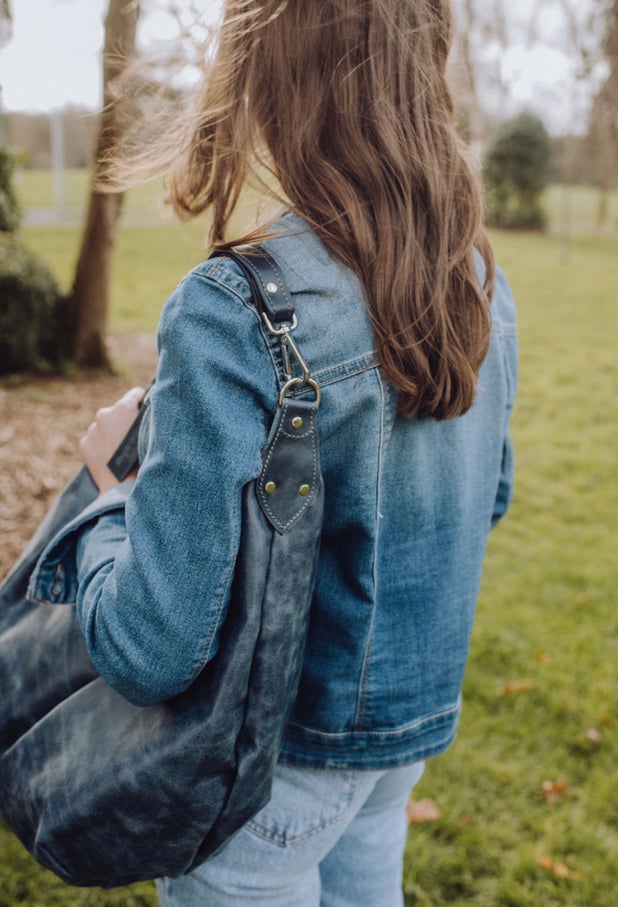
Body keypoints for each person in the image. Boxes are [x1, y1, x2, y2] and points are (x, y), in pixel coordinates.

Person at [76, 1, 517, 904]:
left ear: (268, 73)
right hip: (400, 746)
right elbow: (492, 493)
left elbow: (153, 646)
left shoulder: (234, 307)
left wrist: (107, 500)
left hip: (268, 769)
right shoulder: (476, 275)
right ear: (424, 64)